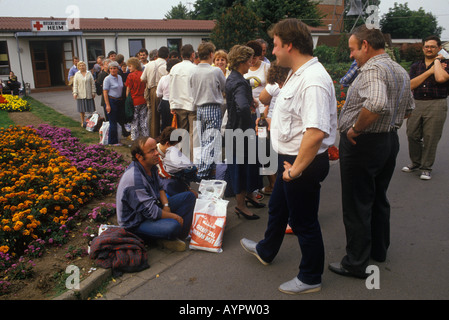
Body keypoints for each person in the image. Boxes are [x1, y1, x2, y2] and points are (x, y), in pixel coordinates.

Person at [240, 18, 337, 294]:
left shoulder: (313, 80)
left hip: (300, 162)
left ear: (290, 45)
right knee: (279, 207)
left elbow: (315, 132)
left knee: (304, 221)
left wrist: (295, 170)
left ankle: (310, 277)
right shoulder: (297, 72)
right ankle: (266, 249)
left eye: (276, 45)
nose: (272, 51)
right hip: (290, 158)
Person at [329, 25, 414, 279]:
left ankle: (356, 262)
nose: (351, 55)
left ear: (365, 45)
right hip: (388, 141)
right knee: (378, 197)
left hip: (364, 144)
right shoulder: (399, 70)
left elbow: (377, 103)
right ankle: (378, 250)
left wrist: (355, 128)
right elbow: (408, 107)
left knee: (357, 204)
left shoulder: (372, 69)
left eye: (353, 49)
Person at [116, 136, 196, 251]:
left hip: (152, 208)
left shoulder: (151, 166)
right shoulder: (134, 179)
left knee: (189, 197)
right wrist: (175, 216)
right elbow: (151, 212)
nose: (156, 153)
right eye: (151, 151)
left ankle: (176, 237)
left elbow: (160, 187)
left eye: (155, 149)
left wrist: (166, 205)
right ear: (139, 157)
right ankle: (161, 237)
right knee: (174, 225)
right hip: (136, 223)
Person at [225, 44, 264, 221]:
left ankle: (248, 197)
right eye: (249, 60)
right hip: (241, 132)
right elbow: (240, 106)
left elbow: (237, 102)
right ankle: (240, 206)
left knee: (248, 165)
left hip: (234, 129)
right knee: (242, 168)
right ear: (241, 61)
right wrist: (250, 119)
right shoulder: (240, 81)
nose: (251, 63)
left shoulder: (232, 78)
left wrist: (251, 101)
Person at [402, 35, 449, 180]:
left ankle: (426, 167)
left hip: (436, 103)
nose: (429, 49)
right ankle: (416, 162)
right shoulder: (417, 65)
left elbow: (441, 78)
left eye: (433, 47)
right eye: (427, 46)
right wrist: (430, 71)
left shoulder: (446, 64)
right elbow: (411, 85)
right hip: (417, 102)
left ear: (439, 48)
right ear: (423, 48)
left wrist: (436, 61)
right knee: (412, 134)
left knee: (431, 137)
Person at [190, 42, 226, 179]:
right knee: (211, 142)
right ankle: (203, 173)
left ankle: (208, 170)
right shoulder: (215, 71)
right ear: (211, 54)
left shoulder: (193, 71)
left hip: (199, 108)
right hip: (212, 107)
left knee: (204, 141)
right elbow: (224, 87)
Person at [257, 62, 290, 195]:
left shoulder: (274, 84)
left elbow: (263, 98)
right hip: (281, 124)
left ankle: (273, 185)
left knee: (266, 154)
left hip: (272, 121)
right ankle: (278, 185)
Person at [169, 44, 198, 160]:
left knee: (182, 133)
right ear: (192, 55)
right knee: (194, 135)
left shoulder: (174, 68)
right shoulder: (195, 69)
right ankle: (193, 159)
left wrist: (172, 105)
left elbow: (171, 87)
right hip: (192, 105)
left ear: (181, 55)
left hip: (179, 104)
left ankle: (182, 158)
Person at [156, 126, 199, 198]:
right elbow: (167, 175)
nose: (177, 148)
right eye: (175, 146)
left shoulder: (170, 152)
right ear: (167, 144)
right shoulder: (156, 155)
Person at [141, 46, 169, 138]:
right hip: (165, 90)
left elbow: (142, 79)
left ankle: (153, 137)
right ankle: (165, 136)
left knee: (153, 116)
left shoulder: (149, 64)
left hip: (151, 89)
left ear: (157, 55)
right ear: (168, 56)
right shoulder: (166, 65)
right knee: (165, 116)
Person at [244, 40, 270, 117]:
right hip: (247, 104)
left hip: (263, 105)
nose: (252, 61)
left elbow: (271, 89)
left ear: (259, 56)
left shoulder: (266, 67)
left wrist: (267, 108)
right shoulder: (243, 67)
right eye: (250, 58)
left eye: (254, 58)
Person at [126, 57, 148, 140]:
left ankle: (134, 139)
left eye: (130, 66)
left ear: (134, 66)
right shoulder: (142, 74)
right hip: (143, 100)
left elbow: (128, 89)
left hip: (134, 101)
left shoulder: (130, 76)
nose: (128, 68)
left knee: (134, 121)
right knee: (143, 121)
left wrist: (127, 100)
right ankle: (145, 138)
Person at [156, 58, 181, 132]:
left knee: (165, 124)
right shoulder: (180, 79)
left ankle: (165, 140)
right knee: (176, 124)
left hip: (165, 102)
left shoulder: (163, 78)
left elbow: (158, 94)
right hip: (177, 103)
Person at [103, 61, 124, 146]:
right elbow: (105, 92)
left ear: (117, 69)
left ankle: (118, 139)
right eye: (111, 68)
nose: (112, 70)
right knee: (113, 122)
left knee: (118, 121)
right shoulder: (107, 79)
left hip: (119, 100)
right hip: (111, 100)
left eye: (114, 68)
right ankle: (112, 141)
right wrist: (107, 105)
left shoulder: (119, 77)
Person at [72, 61, 96, 127]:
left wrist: (93, 92)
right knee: (82, 110)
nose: (82, 67)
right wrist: (75, 93)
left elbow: (92, 83)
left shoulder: (89, 73)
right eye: (80, 66)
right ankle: (82, 122)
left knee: (91, 109)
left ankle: (90, 123)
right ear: (78, 67)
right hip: (80, 94)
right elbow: (75, 85)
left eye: (83, 65)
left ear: (85, 66)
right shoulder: (77, 74)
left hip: (89, 94)